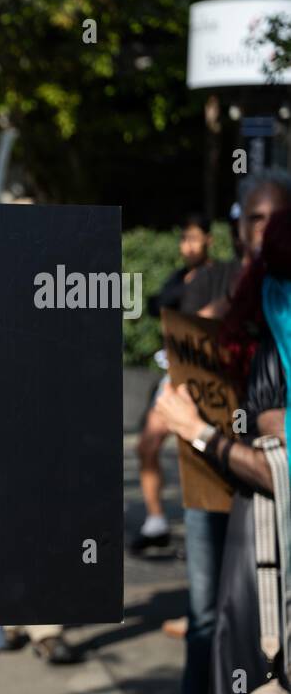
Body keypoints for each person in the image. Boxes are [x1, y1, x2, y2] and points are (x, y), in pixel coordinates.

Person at [155, 208, 291, 694]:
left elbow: (280, 465)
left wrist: (199, 430)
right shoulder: (252, 299)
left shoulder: (272, 307)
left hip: (265, 553)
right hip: (254, 546)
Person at [134, 215, 221, 554]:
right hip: (174, 375)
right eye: (184, 239)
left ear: (209, 241)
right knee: (148, 444)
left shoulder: (221, 276)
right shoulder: (179, 278)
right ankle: (156, 520)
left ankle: (211, 526)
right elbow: (157, 304)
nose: (188, 246)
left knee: (202, 454)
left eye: (195, 239)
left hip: (208, 378)